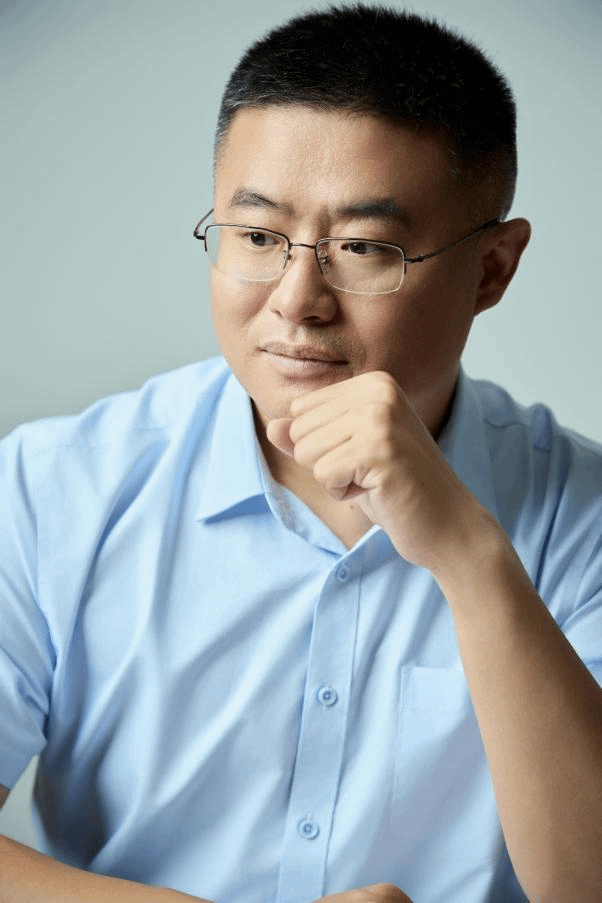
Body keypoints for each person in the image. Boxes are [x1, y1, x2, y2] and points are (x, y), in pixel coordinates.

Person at [1, 4, 601, 902]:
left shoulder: (584, 514)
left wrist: (471, 556)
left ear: (492, 270)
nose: (296, 300)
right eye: (256, 236)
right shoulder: (52, 487)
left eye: (362, 247)